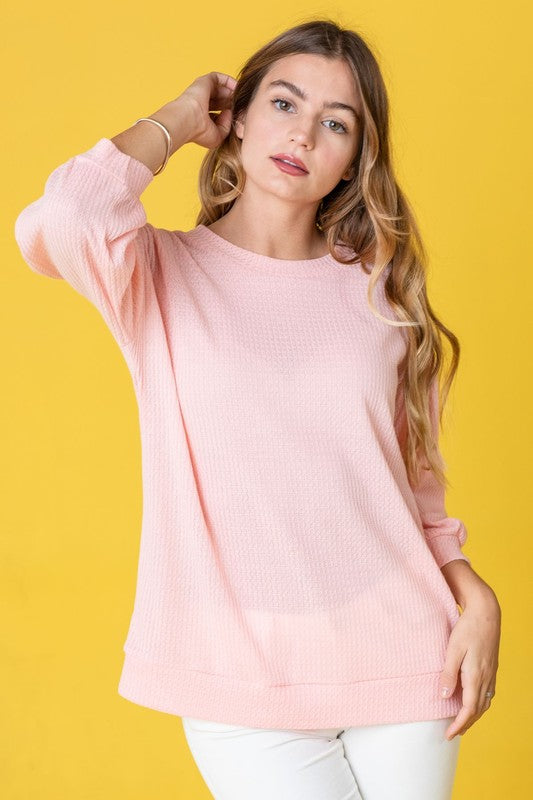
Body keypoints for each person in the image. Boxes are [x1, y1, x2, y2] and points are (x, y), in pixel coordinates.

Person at [14, 17, 501, 800]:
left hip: (405, 653)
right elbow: (67, 216)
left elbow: (412, 485)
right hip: (240, 675)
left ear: (352, 162)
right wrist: (176, 120)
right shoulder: (154, 273)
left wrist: (470, 590)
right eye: (282, 103)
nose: (303, 134)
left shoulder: (381, 294)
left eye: (334, 123)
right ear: (234, 119)